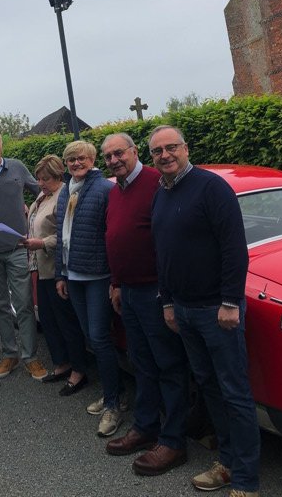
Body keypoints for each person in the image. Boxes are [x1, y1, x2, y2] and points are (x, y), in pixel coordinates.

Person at [150, 125, 260, 497]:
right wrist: (168, 302)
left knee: (235, 393)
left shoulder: (212, 188)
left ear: (185, 148)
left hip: (217, 310)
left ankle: (246, 480)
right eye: (157, 151)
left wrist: (230, 302)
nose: (165, 155)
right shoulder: (161, 194)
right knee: (210, 389)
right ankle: (227, 463)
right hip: (183, 310)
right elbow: (163, 253)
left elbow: (234, 248)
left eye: (171, 147)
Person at [101, 133, 189, 475]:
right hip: (129, 291)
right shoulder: (116, 190)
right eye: (108, 156)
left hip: (156, 290)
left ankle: (174, 441)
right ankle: (146, 426)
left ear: (135, 152)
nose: (113, 160)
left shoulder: (156, 183)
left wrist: (167, 295)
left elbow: (169, 240)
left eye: (118, 153)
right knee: (142, 363)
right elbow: (117, 239)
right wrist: (116, 283)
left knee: (168, 364)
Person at [55, 140, 122, 437]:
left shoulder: (104, 189)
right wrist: (60, 274)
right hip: (73, 275)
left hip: (97, 275)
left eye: (81, 158)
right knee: (90, 337)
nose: (76, 163)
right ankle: (114, 393)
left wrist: (115, 280)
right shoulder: (67, 189)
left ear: (93, 160)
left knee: (99, 337)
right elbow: (62, 233)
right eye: (71, 159)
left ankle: (113, 403)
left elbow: (112, 236)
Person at [0, 129, 47, 381]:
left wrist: (34, 213)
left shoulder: (17, 167)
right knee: (0, 305)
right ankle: (9, 354)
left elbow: (41, 192)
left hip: (17, 247)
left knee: (24, 304)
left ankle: (30, 357)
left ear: (1, 144)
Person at [21, 155, 87, 391]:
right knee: (49, 320)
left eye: (45, 179)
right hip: (40, 267)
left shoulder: (64, 196)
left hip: (57, 269)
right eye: (38, 179)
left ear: (59, 176)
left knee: (66, 321)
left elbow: (68, 234)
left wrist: (41, 243)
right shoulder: (43, 196)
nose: (40, 183)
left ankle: (79, 370)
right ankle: (62, 363)